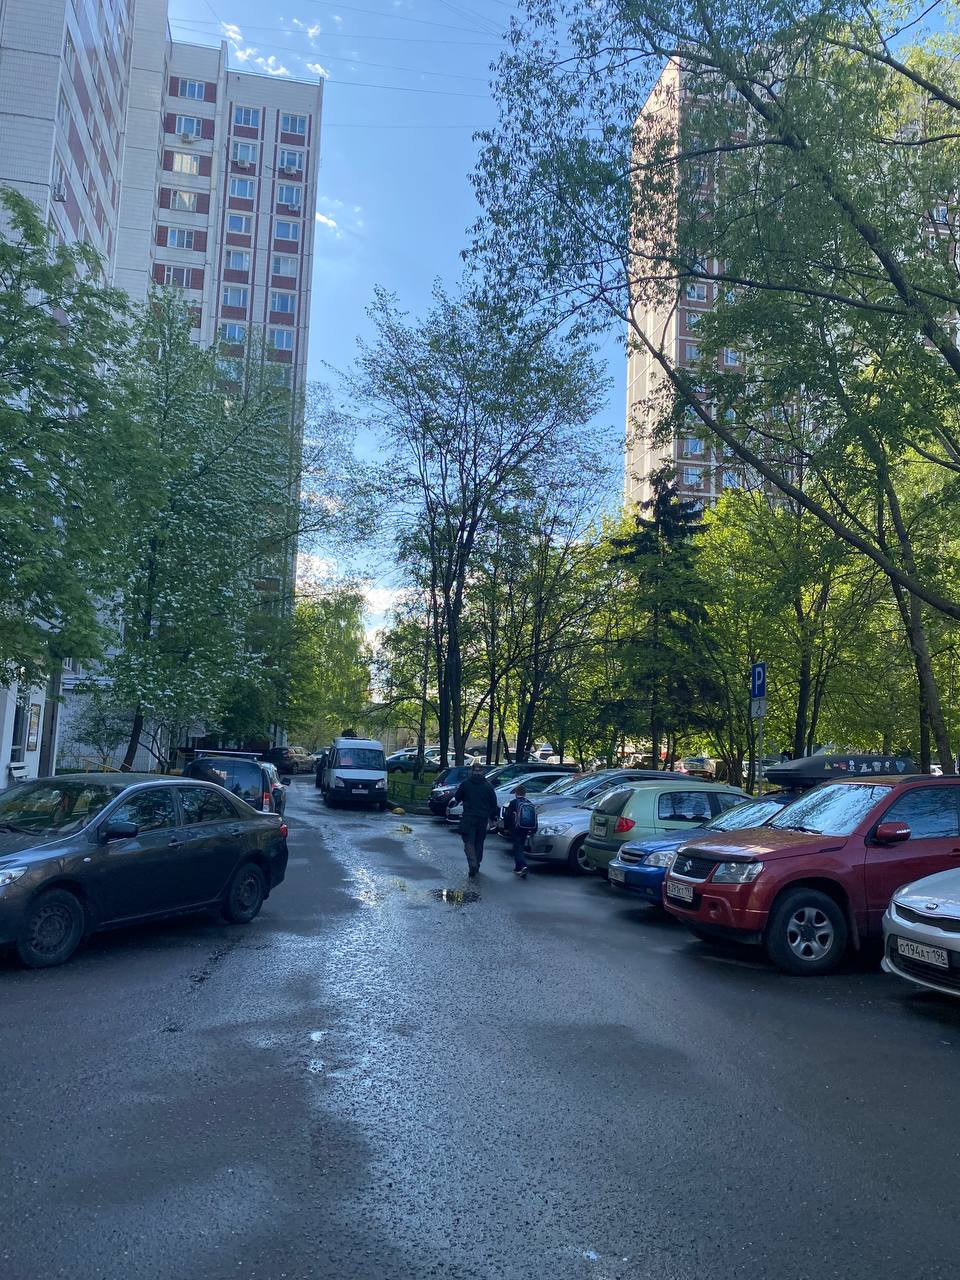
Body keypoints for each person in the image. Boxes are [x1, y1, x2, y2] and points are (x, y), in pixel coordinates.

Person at [453, 763, 499, 877]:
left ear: (472, 771)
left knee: (469, 841)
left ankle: (472, 863)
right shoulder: (488, 786)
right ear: (482, 772)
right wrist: (492, 818)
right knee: (479, 842)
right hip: (482, 819)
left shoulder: (465, 784)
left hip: (468, 817)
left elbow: (457, 797)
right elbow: (493, 804)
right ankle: (477, 863)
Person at [503, 784, 538, 878]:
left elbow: (507, 816)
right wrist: (533, 830)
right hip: (526, 829)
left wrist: (505, 828)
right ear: (525, 793)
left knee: (517, 848)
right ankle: (517, 868)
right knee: (520, 847)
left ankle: (523, 866)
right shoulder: (529, 803)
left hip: (516, 829)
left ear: (516, 793)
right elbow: (534, 817)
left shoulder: (513, 803)